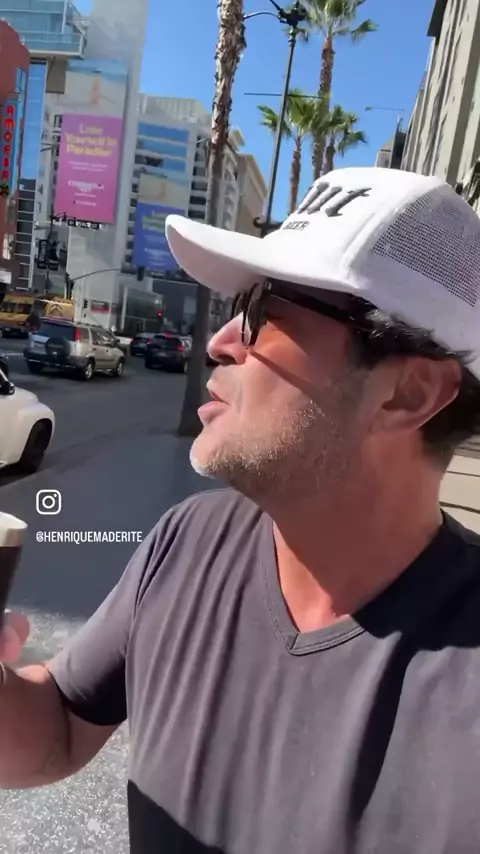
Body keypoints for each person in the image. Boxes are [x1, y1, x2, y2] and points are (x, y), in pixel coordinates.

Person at [2, 167, 480, 853]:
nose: (221, 341)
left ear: (408, 393)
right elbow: (59, 727)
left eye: (263, 311)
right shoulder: (187, 541)